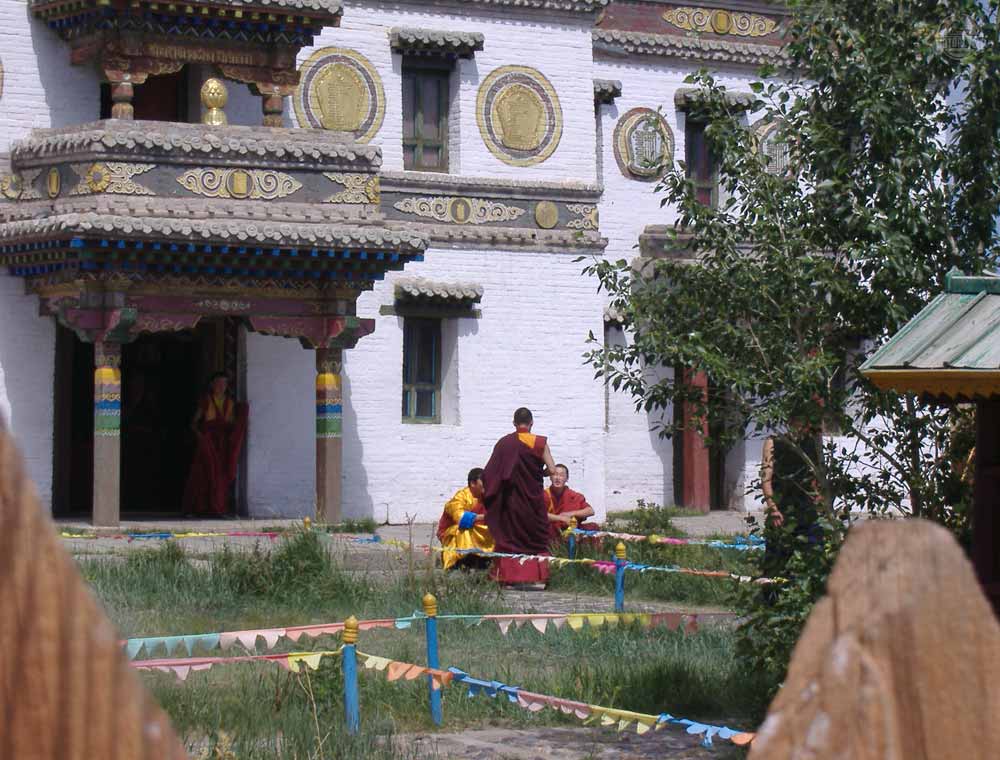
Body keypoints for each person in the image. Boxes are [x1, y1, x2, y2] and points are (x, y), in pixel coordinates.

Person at [482, 407, 557, 587]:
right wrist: (539, 473)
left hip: (511, 501)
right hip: (532, 500)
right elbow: (553, 470)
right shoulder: (539, 443)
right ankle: (538, 577)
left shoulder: (504, 443)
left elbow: (489, 473)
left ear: (514, 423)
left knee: (511, 537)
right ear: (531, 423)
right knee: (535, 537)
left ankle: (508, 577)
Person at [759, 427, 823, 581]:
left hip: (807, 510)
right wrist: (773, 508)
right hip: (782, 510)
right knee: (775, 563)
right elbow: (765, 479)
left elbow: (818, 475)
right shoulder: (773, 442)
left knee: (815, 556)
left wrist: (820, 501)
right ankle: (769, 601)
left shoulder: (813, 442)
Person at [182, 372, 248, 516]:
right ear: (212, 385)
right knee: (202, 474)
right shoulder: (206, 400)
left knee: (220, 476)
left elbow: (231, 424)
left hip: (222, 444)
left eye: (224, 383)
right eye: (218, 383)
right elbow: (194, 423)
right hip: (208, 442)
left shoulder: (230, 402)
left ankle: (217, 508)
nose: (221, 386)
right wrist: (200, 436)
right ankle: (197, 508)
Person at [438, 467, 494, 570]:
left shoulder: (486, 496)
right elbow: (461, 519)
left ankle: (485, 558)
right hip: (453, 534)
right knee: (465, 529)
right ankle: (459, 562)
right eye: (484, 482)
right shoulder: (461, 497)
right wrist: (487, 517)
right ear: (473, 483)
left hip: (479, 534)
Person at [546, 463, 599, 541]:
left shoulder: (573, 495)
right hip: (553, 529)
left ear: (567, 479)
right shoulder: (545, 494)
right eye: (555, 475)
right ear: (550, 477)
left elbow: (590, 511)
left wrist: (570, 514)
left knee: (593, 527)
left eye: (561, 475)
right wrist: (561, 518)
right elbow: (539, 514)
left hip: (571, 528)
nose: (558, 478)